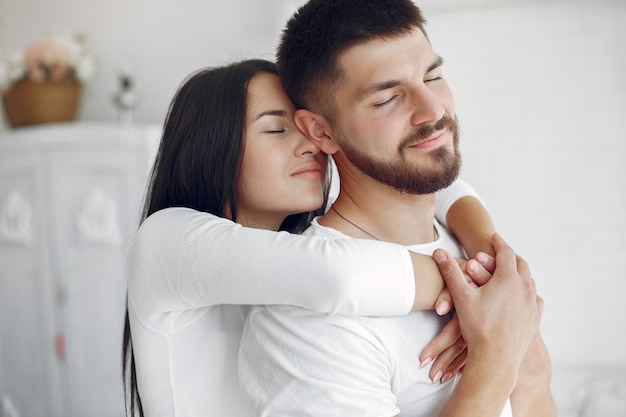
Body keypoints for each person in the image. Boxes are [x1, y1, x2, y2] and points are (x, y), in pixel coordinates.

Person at [122, 59, 499, 417]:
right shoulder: (165, 240)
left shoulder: (298, 242)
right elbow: (339, 277)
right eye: (276, 129)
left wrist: (491, 251)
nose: (311, 146)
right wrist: (483, 287)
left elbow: (440, 187)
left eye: (309, 129)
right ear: (210, 149)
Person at [238, 1, 556, 416]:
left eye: (433, 76)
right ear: (320, 131)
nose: (434, 110)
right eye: (388, 98)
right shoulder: (306, 323)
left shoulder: (466, 241)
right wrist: (498, 357)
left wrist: (530, 373)